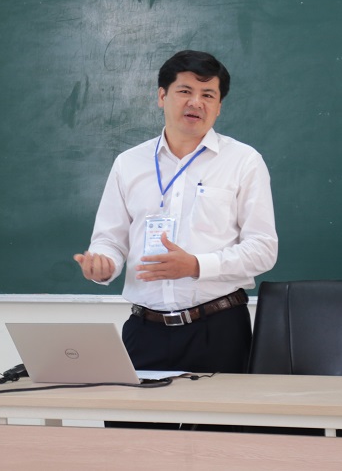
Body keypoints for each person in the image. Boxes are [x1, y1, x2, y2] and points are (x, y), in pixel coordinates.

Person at [73, 50, 279, 379]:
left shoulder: (243, 161)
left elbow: (263, 249)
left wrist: (196, 265)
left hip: (218, 328)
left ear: (219, 106)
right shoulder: (129, 163)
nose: (196, 102)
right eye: (185, 91)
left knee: (222, 415)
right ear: (162, 96)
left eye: (208, 95)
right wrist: (104, 263)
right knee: (132, 415)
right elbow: (110, 240)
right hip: (144, 330)